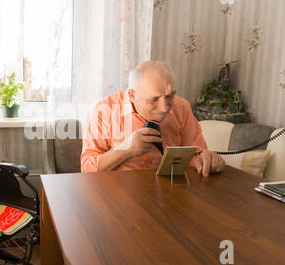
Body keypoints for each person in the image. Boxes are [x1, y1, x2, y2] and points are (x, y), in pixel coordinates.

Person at [80, 60, 225, 177]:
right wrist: (126, 149)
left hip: (170, 194)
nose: (164, 108)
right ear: (132, 95)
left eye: (169, 96)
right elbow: (87, 169)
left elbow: (197, 154)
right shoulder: (105, 110)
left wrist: (206, 160)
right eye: (153, 99)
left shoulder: (182, 108)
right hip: (119, 197)